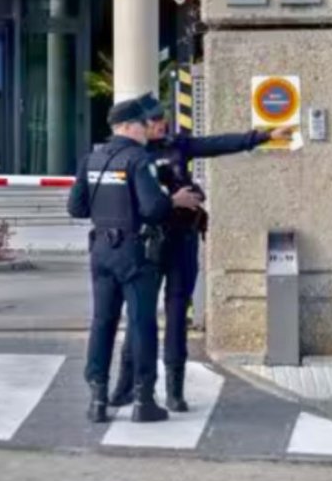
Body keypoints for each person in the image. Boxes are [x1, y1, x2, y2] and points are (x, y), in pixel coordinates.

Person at [107, 92, 296, 413]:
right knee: (141, 318)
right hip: (148, 244)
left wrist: (263, 136)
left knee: (178, 314)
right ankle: (126, 386)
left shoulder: (178, 145)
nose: (161, 124)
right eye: (154, 121)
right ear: (139, 125)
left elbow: (218, 143)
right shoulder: (131, 155)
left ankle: (175, 391)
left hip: (182, 238)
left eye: (162, 118)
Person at [68, 98, 203, 424]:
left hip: (101, 251)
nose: (148, 129)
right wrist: (176, 200)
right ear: (128, 126)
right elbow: (153, 209)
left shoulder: (93, 158)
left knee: (102, 322)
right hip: (135, 252)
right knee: (142, 324)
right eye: (144, 124)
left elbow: (77, 208)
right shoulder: (138, 160)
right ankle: (144, 400)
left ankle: (98, 399)